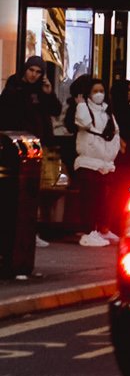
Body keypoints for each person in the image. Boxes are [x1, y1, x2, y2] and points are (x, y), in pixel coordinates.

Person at [68, 74, 122, 246]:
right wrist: (82, 104)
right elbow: (84, 123)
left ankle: (101, 229)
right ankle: (88, 232)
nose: (99, 94)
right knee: (89, 200)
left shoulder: (107, 111)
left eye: (102, 91)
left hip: (105, 162)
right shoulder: (84, 109)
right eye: (95, 91)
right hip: (89, 161)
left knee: (102, 200)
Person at [0, 56, 61, 140]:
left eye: (38, 72)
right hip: (19, 136)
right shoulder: (14, 84)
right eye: (31, 70)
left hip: (40, 137)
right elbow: (5, 109)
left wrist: (49, 94)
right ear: (26, 69)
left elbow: (56, 111)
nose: (34, 75)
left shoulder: (41, 87)